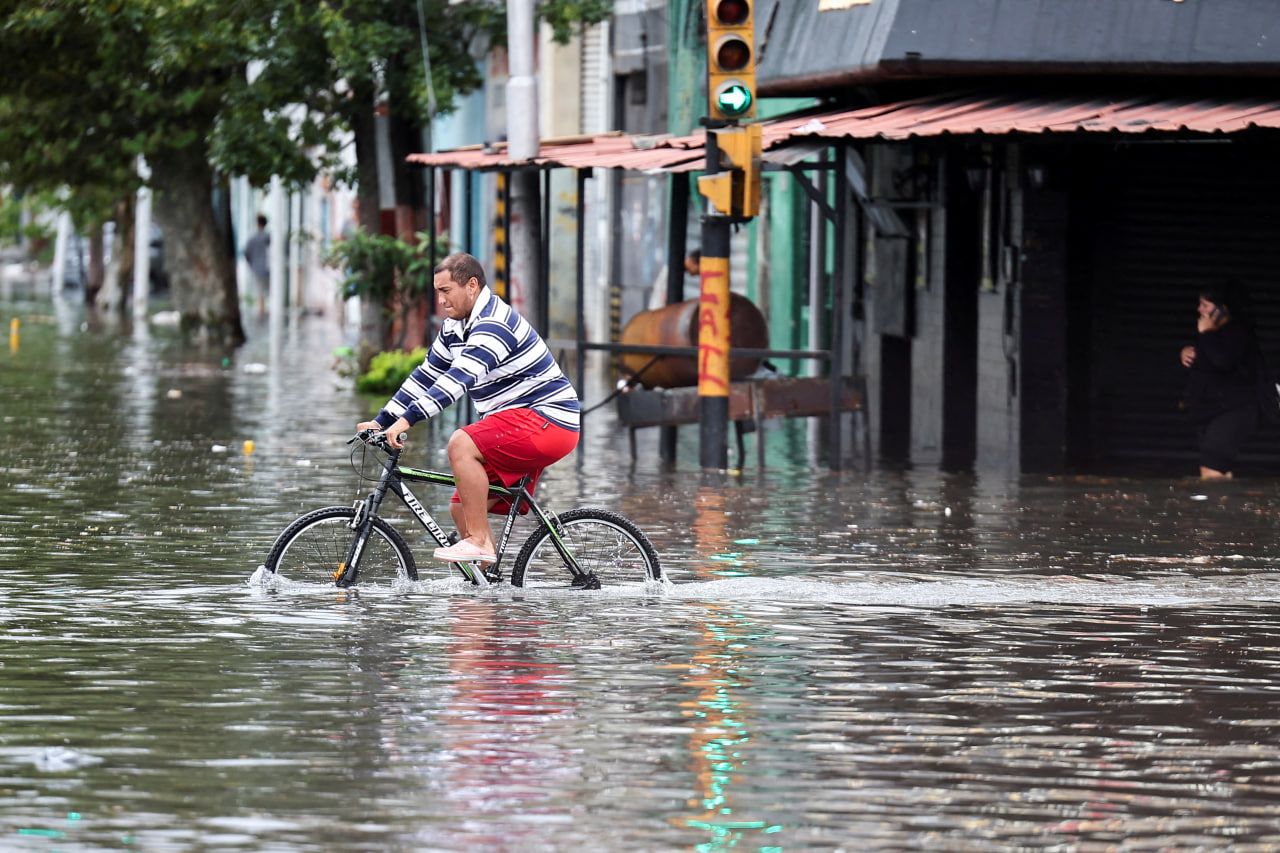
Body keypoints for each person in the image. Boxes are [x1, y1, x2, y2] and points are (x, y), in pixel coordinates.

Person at [357, 252, 580, 564]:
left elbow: (458, 380)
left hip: (547, 421)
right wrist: (382, 420)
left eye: (446, 291)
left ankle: (478, 542)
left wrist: (406, 421)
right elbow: (427, 375)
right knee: (461, 507)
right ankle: (486, 586)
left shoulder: (494, 324)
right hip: (516, 424)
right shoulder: (454, 328)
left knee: (461, 443)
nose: (442, 301)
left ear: (472, 285)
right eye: (438, 293)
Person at [1180, 280, 1261, 479]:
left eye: (1206, 305)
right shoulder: (1210, 332)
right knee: (1219, 471)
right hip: (1211, 410)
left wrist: (1206, 333)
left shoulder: (1237, 331)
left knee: (1211, 469)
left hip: (1233, 410)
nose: (1200, 310)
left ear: (1223, 309)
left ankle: (1214, 509)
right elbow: (1206, 361)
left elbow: (1222, 361)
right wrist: (1185, 351)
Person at [242, 214, 270, 317]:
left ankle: (261, 310)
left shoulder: (253, 239)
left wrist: (251, 264)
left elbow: (246, 253)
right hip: (267, 268)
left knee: (260, 290)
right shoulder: (269, 238)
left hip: (257, 268)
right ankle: (263, 309)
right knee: (266, 289)